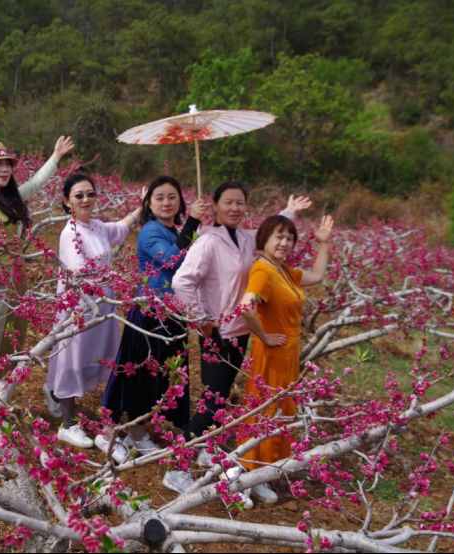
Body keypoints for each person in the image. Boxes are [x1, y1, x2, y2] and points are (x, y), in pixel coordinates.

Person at [166, 183, 310, 495]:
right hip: (218, 333)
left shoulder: (245, 239)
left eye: (240, 203)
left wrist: (289, 212)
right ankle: (177, 467)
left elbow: (268, 231)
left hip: (240, 333)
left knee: (220, 396)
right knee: (211, 402)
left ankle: (204, 449)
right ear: (214, 206)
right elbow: (182, 281)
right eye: (228, 202)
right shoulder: (207, 241)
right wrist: (201, 318)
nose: (234, 208)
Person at [99, 176, 206, 463]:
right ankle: (134, 431)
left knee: (164, 374)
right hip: (150, 313)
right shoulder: (150, 232)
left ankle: (144, 424)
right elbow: (173, 261)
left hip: (174, 313)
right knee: (143, 374)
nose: (166, 202)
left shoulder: (178, 230)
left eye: (172, 197)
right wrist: (193, 224)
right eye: (159, 197)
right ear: (148, 203)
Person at [237, 213, 334, 504]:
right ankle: (243, 471)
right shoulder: (263, 271)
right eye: (278, 236)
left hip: (287, 353)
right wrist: (264, 336)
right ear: (264, 238)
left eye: (289, 238)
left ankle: (262, 472)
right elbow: (245, 306)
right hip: (272, 351)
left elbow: (317, 276)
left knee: (279, 410)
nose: (285, 242)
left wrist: (324, 244)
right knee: (264, 410)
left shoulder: (283, 270)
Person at [45, 173, 142, 448]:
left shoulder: (97, 226)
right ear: (67, 201)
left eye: (90, 194)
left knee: (99, 355)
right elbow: (78, 271)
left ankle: (55, 393)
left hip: (102, 304)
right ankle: (67, 424)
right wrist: (111, 278)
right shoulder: (70, 233)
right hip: (79, 307)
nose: (86, 199)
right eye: (79, 195)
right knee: (71, 359)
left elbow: (120, 228)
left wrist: (141, 207)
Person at [0, 137, 74, 357]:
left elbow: (36, 183)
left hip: (16, 275)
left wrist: (56, 156)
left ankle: (3, 384)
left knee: (13, 334)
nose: (4, 169)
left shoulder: (8, 197)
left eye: (7, 164)